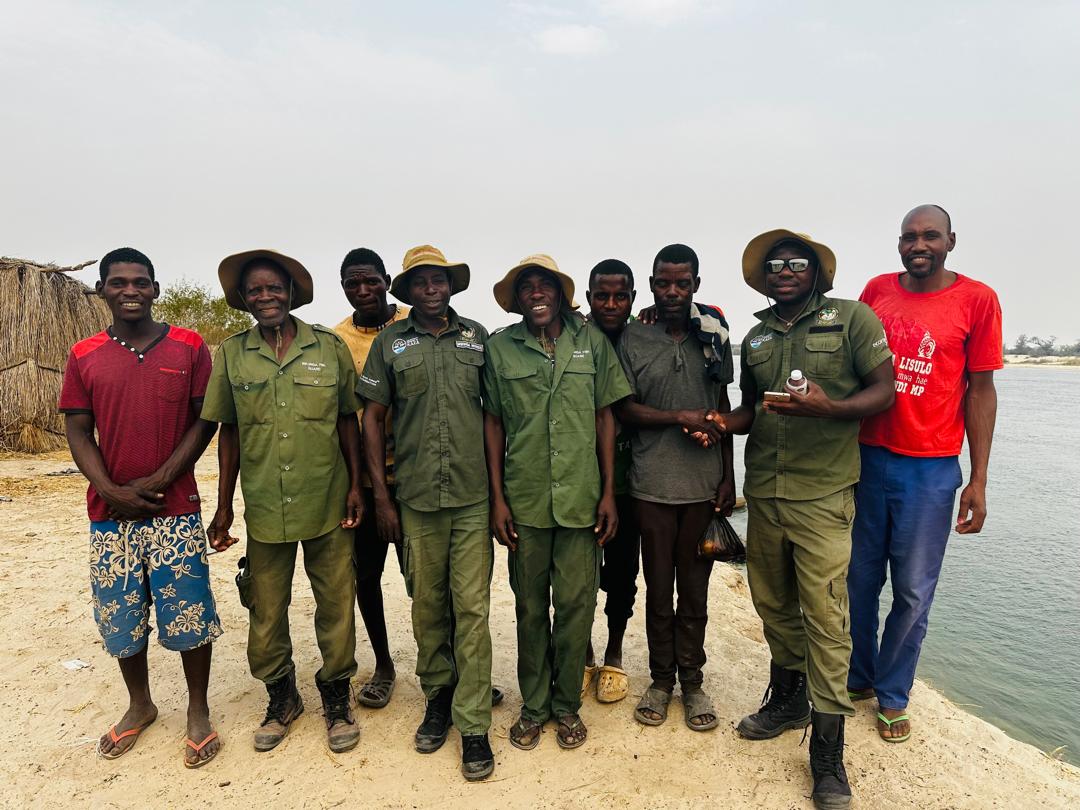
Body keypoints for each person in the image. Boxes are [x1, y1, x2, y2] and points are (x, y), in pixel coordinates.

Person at [719, 230, 895, 809]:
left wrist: (831, 408)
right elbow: (751, 406)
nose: (785, 270)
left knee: (825, 614)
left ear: (818, 271)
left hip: (823, 496)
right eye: (775, 265)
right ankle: (788, 694)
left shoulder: (852, 320)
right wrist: (721, 423)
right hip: (765, 493)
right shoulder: (756, 335)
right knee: (770, 602)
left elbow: (885, 392)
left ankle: (827, 755)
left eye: (797, 263)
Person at [59, 246, 223, 768]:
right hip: (111, 515)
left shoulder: (189, 347)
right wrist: (109, 488)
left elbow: (205, 421)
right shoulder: (84, 354)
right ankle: (141, 704)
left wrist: (160, 477)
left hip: (174, 507)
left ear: (155, 289)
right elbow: (79, 429)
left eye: (140, 282)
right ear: (103, 289)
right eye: (118, 282)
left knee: (190, 612)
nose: (130, 290)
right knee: (121, 615)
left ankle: (198, 710)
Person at [199, 249, 364, 754]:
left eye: (274, 288)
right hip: (266, 504)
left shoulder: (329, 347)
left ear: (291, 292)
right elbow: (229, 431)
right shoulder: (232, 354)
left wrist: (358, 485)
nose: (265, 296)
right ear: (244, 298)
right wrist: (224, 506)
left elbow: (346, 421)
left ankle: (336, 698)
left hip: (329, 501)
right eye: (255, 290)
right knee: (266, 607)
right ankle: (282, 696)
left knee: (336, 602)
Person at [848, 205, 1002, 744]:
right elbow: (849, 363)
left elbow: (981, 391)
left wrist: (977, 478)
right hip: (865, 458)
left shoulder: (977, 300)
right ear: (899, 243)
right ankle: (858, 677)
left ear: (950, 241)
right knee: (858, 581)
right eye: (910, 236)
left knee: (913, 591)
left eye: (930, 235)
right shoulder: (876, 291)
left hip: (931, 469)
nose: (920, 244)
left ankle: (893, 694)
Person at [356, 245, 496, 781]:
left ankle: (474, 723)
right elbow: (372, 419)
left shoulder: (477, 337)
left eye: (439, 280)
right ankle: (439, 698)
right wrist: (382, 497)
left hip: (472, 498)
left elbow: (492, 417)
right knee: (428, 606)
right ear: (408, 292)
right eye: (421, 283)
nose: (431, 289)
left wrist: (498, 493)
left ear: (451, 286)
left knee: (474, 609)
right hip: (414, 498)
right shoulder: (392, 342)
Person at [484, 254, 631, 752]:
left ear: (560, 293)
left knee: (575, 607)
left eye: (544, 285)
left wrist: (609, 492)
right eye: (527, 288)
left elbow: (605, 419)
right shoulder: (500, 350)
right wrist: (497, 501)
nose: (536, 294)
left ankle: (566, 704)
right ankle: (534, 707)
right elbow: (494, 426)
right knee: (529, 609)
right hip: (524, 501)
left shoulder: (591, 343)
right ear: (518, 299)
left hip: (582, 500)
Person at [613, 244, 735, 733]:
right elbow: (625, 409)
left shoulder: (715, 338)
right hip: (651, 486)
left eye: (681, 284)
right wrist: (677, 418)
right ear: (651, 284)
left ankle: (693, 681)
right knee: (659, 590)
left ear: (696, 286)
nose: (671, 292)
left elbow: (722, 407)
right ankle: (661, 681)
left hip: (702, 488)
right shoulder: (633, 339)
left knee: (696, 593)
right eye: (663, 283)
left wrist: (728, 477)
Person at [333, 247, 408, 710]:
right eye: (352, 284)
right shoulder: (336, 341)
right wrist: (357, 485)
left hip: (419, 477)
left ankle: (453, 669)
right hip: (362, 480)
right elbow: (343, 416)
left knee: (429, 580)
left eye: (371, 281)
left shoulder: (412, 326)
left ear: (386, 281)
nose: (363, 291)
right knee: (367, 577)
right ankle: (382, 665)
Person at [581, 259, 640, 704]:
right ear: (588, 298)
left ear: (634, 299)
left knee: (622, 575)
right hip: (580, 479)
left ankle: (614, 650)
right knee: (578, 573)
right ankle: (583, 652)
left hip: (633, 480)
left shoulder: (647, 335)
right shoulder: (575, 338)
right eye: (602, 295)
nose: (611, 304)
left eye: (620, 296)